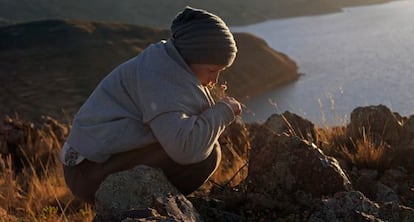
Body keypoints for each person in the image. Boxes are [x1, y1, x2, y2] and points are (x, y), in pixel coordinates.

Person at [61, 6, 242, 204]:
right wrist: (223, 112)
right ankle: (147, 209)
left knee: (204, 144)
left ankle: (157, 208)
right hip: (86, 172)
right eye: (212, 70)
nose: (215, 79)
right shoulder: (161, 78)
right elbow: (186, 149)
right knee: (204, 157)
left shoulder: (168, 61)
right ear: (193, 56)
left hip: (92, 161)